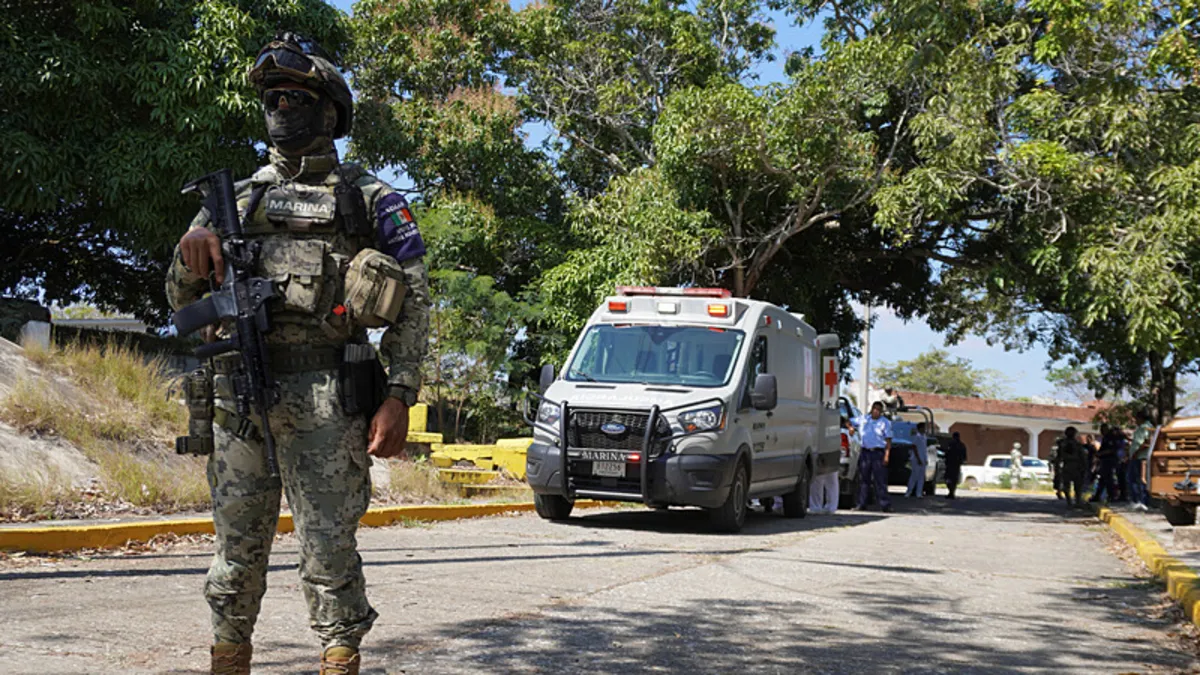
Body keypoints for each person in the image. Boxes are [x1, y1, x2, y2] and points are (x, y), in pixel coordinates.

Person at [165, 34, 431, 675]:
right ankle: (228, 659)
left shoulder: (372, 200)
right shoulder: (233, 203)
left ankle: (339, 659)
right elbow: (180, 301)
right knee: (235, 551)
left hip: (330, 397)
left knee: (329, 552)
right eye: (274, 99)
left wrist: (400, 395)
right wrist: (189, 256)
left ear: (330, 111)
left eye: (297, 98)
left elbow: (415, 302)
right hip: (239, 398)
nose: (282, 108)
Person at [854, 401, 893, 512]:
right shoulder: (864, 419)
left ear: (881, 411)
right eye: (874, 408)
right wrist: (850, 427)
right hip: (865, 452)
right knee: (863, 479)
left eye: (878, 410)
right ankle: (861, 503)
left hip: (878, 453)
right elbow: (848, 421)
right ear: (871, 409)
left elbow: (888, 441)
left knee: (880, 480)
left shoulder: (885, 423)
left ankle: (885, 505)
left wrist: (887, 455)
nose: (876, 411)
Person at [1127, 410, 1155, 511]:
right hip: (1138, 457)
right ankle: (1140, 501)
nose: (1135, 421)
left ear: (1141, 418)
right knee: (1136, 479)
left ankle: (1140, 501)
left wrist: (1135, 453)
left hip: (1140, 457)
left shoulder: (1145, 427)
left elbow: (1147, 442)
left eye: (1136, 419)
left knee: (1137, 479)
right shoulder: (1144, 427)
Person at [1089, 424, 1120, 505]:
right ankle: (1098, 496)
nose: (1102, 431)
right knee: (1102, 479)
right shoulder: (1105, 438)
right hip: (1104, 460)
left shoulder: (1111, 438)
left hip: (1109, 460)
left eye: (1103, 429)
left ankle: (1112, 495)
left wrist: (1100, 454)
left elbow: (1111, 450)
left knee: (1109, 479)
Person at [1058, 427, 1089, 507]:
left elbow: (1059, 456)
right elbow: (1082, 456)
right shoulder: (1076, 444)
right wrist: (1084, 466)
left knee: (1068, 485)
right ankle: (1077, 501)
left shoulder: (1062, 443)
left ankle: (1070, 501)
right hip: (1075, 466)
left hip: (1068, 465)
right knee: (1077, 485)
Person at [905, 422, 928, 498]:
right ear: (920, 428)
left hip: (923, 458)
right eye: (924, 427)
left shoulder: (924, 437)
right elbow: (914, 447)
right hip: (916, 459)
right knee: (914, 476)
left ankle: (919, 493)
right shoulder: (916, 436)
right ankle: (909, 492)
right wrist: (918, 459)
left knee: (921, 477)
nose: (925, 429)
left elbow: (924, 449)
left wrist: (925, 459)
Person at [944, 431, 967, 499]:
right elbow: (964, 456)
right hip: (956, 464)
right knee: (953, 479)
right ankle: (952, 492)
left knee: (948, 478)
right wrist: (963, 461)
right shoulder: (962, 445)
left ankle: (951, 492)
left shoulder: (951, 444)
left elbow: (947, 453)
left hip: (951, 464)